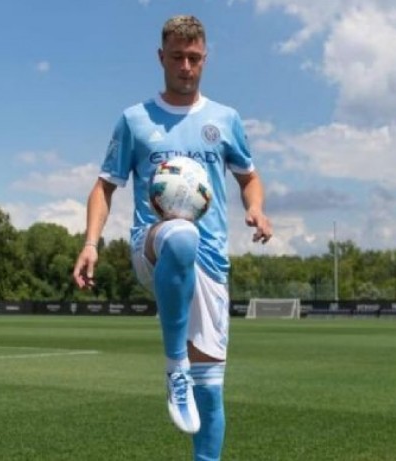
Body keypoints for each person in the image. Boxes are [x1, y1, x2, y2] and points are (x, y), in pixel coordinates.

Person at [72, 15, 272, 461]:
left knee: (210, 394)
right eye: (177, 57)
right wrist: (90, 243)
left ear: (205, 59)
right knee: (180, 234)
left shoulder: (225, 119)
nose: (186, 67)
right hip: (153, 246)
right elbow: (104, 186)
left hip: (210, 262)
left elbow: (250, 178)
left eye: (194, 58)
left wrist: (256, 208)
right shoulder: (135, 120)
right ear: (161, 57)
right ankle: (174, 365)